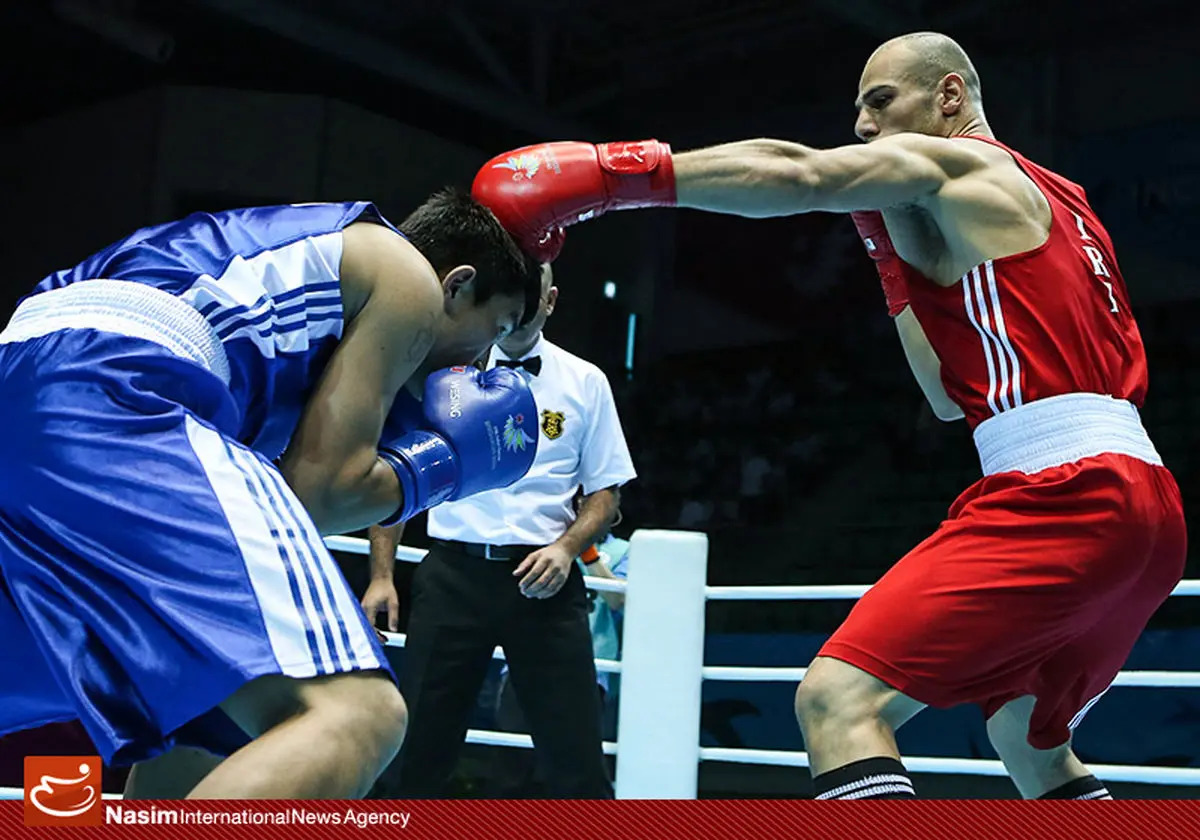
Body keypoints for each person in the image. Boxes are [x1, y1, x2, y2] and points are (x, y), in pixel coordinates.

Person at [468, 32, 1187, 800]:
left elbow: (798, 172)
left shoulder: (963, 163)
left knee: (836, 700)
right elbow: (947, 397)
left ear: (949, 96)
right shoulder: (1064, 199)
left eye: (882, 102)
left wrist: (609, 179)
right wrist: (892, 258)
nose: (865, 127)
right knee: (1027, 736)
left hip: (1065, 491)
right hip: (1146, 510)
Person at [0, 190, 543, 799]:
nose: (481, 362)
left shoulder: (293, 303)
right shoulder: (408, 276)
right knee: (355, 713)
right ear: (457, 286)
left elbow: (295, 499)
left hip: (32, 383)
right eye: (496, 329)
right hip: (116, 386)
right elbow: (322, 498)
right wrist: (444, 464)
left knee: (220, 717)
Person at [365, 263, 636, 798]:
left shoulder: (585, 381)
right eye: (511, 294)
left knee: (577, 757)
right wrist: (381, 575)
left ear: (550, 301)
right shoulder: (440, 373)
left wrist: (566, 549)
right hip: (453, 575)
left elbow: (606, 495)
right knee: (415, 751)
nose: (519, 310)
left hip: (545, 581)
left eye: (531, 297)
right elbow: (394, 476)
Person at [485, 509, 630, 797]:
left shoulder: (624, 550)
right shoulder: (535, 536)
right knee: (512, 762)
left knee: (574, 763)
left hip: (589, 667)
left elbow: (619, 600)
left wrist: (585, 551)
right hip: (523, 658)